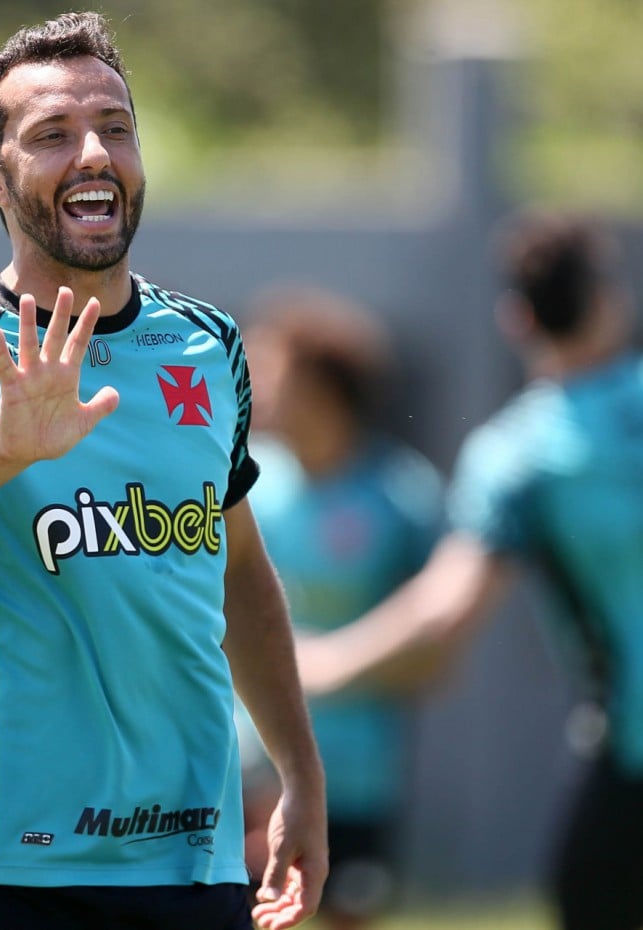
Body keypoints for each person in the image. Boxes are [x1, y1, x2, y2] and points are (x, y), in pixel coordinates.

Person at [0, 12, 327, 930]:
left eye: (115, 127)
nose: (94, 153)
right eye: (52, 135)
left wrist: (300, 776)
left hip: (191, 860)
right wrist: (3, 452)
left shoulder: (208, 342)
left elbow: (235, 569)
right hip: (4, 865)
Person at [295, 211, 643, 930]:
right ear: (613, 299)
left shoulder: (522, 455)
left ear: (515, 319)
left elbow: (442, 615)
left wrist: (320, 664)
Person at [238, 286, 446, 929]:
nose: (259, 388)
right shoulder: (246, 484)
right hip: (249, 764)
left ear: (324, 388)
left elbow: (436, 636)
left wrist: (336, 665)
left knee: (348, 913)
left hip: (358, 772)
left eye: (275, 372)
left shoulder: (402, 496)